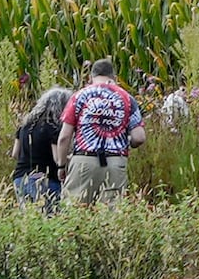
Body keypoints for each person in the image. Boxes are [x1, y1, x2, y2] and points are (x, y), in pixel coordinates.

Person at [56, 59, 146, 206]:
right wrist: (124, 142)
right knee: (112, 215)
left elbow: (64, 137)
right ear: (113, 77)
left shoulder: (79, 96)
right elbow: (139, 137)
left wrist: (61, 166)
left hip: (84, 161)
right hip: (115, 162)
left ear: (91, 77)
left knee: (75, 211)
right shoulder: (128, 99)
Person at [11, 87, 71, 211]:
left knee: (28, 220)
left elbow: (15, 154)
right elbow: (57, 158)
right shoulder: (53, 128)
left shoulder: (24, 126)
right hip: (45, 179)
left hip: (20, 178)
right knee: (49, 218)